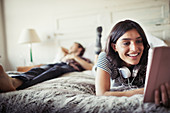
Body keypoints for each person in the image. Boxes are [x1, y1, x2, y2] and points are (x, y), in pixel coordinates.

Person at [95, 20, 170, 107]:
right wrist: (145, 91)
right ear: (114, 46)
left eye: (138, 41)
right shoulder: (105, 57)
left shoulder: (151, 56)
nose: (134, 49)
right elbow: (101, 94)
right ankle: (97, 48)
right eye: (126, 43)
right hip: (104, 63)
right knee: (94, 65)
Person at [0, 42, 93, 92]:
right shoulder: (65, 55)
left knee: (54, 70)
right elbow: (60, 48)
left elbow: (90, 67)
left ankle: (17, 84)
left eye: (73, 46)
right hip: (57, 63)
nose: (70, 47)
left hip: (69, 67)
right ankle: (14, 80)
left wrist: (74, 56)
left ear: (80, 49)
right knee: (38, 69)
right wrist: (68, 53)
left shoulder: (84, 58)